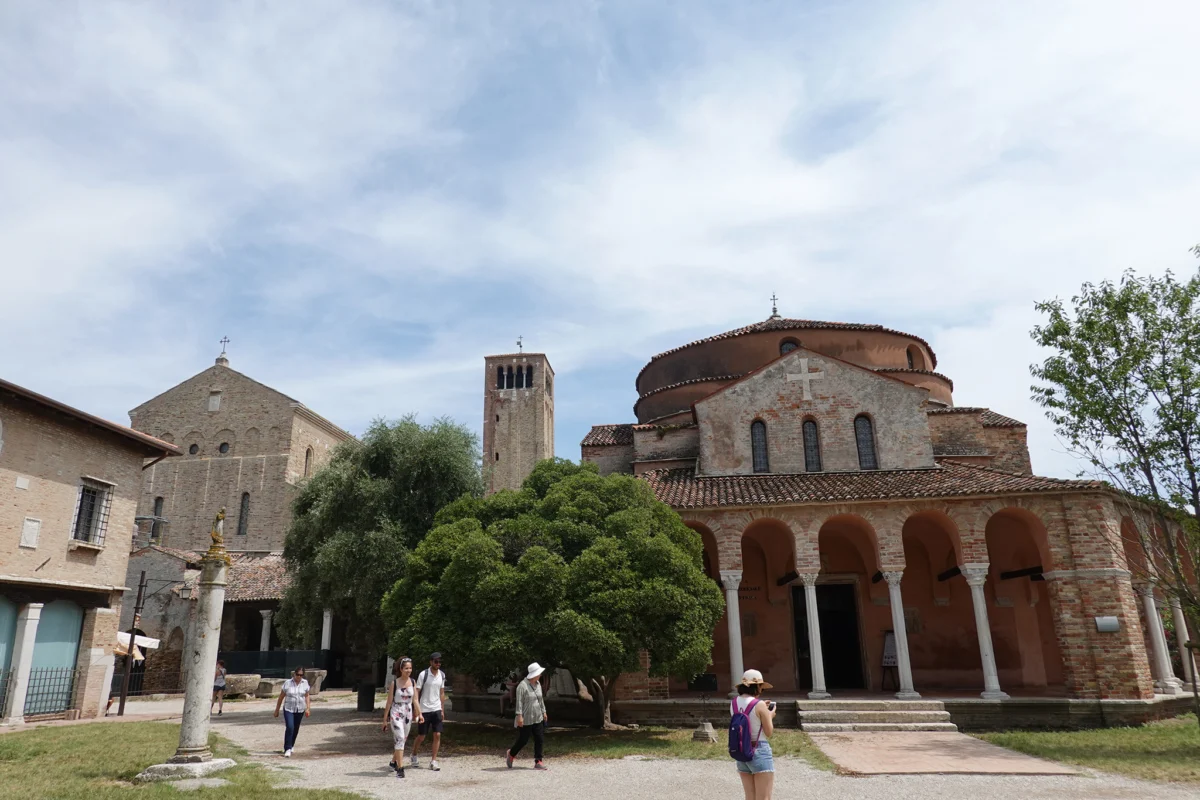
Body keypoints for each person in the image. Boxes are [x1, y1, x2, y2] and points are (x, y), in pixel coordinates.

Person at [733, 669, 776, 800]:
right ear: (757, 687)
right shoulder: (760, 705)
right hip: (759, 749)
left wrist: (762, 707)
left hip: (741, 751)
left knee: (750, 797)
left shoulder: (734, 702)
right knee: (764, 797)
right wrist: (770, 715)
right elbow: (769, 732)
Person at [382, 657, 423, 779]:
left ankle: (393, 762)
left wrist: (419, 714)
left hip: (408, 713)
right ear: (400, 669)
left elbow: (415, 699)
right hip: (396, 712)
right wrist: (385, 719)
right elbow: (389, 703)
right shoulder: (394, 683)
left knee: (403, 740)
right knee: (400, 738)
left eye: (410, 668)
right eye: (406, 668)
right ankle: (400, 768)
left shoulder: (413, 682)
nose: (409, 670)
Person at [505, 661, 550, 771]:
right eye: (539, 673)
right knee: (523, 740)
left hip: (537, 716)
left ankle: (538, 761)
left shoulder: (538, 684)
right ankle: (511, 753)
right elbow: (519, 702)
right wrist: (519, 716)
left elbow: (540, 699)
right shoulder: (522, 686)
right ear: (534, 674)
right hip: (526, 718)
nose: (540, 675)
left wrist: (544, 712)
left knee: (539, 738)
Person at [411, 652, 447, 771]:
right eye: (436, 661)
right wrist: (417, 710)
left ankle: (433, 760)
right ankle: (414, 754)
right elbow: (417, 692)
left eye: (439, 662)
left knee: (437, 734)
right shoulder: (423, 674)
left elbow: (442, 692)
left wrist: (442, 709)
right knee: (422, 736)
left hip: (436, 708)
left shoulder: (441, 675)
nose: (438, 664)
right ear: (430, 662)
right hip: (425, 709)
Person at [273, 666, 311, 758]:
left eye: (301, 675)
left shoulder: (305, 683)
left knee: (296, 728)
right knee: (290, 727)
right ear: (294, 674)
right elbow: (281, 696)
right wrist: (277, 710)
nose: (299, 676)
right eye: (297, 674)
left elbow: (307, 696)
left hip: (300, 709)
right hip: (289, 708)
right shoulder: (288, 683)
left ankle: (291, 744)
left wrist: (308, 708)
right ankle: (287, 748)